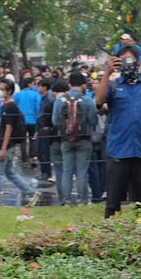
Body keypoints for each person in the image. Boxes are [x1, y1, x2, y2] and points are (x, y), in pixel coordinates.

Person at [95, 47, 141, 218]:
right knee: (113, 201)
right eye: (123, 60)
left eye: (130, 60)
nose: (128, 65)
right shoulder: (114, 85)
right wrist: (107, 73)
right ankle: (110, 234)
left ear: (138, 63)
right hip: (119, 150)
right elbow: (99, 100)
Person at [51, 74, 97, 207]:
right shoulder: (88, 100)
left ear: (69, 84)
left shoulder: (60, 101)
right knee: (82, 171)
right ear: (83, 85)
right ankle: (83, 200)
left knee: (67, 171)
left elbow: (54, 121)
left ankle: (66, 201)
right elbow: (93, 121)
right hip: (84, 139)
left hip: (65, 139)